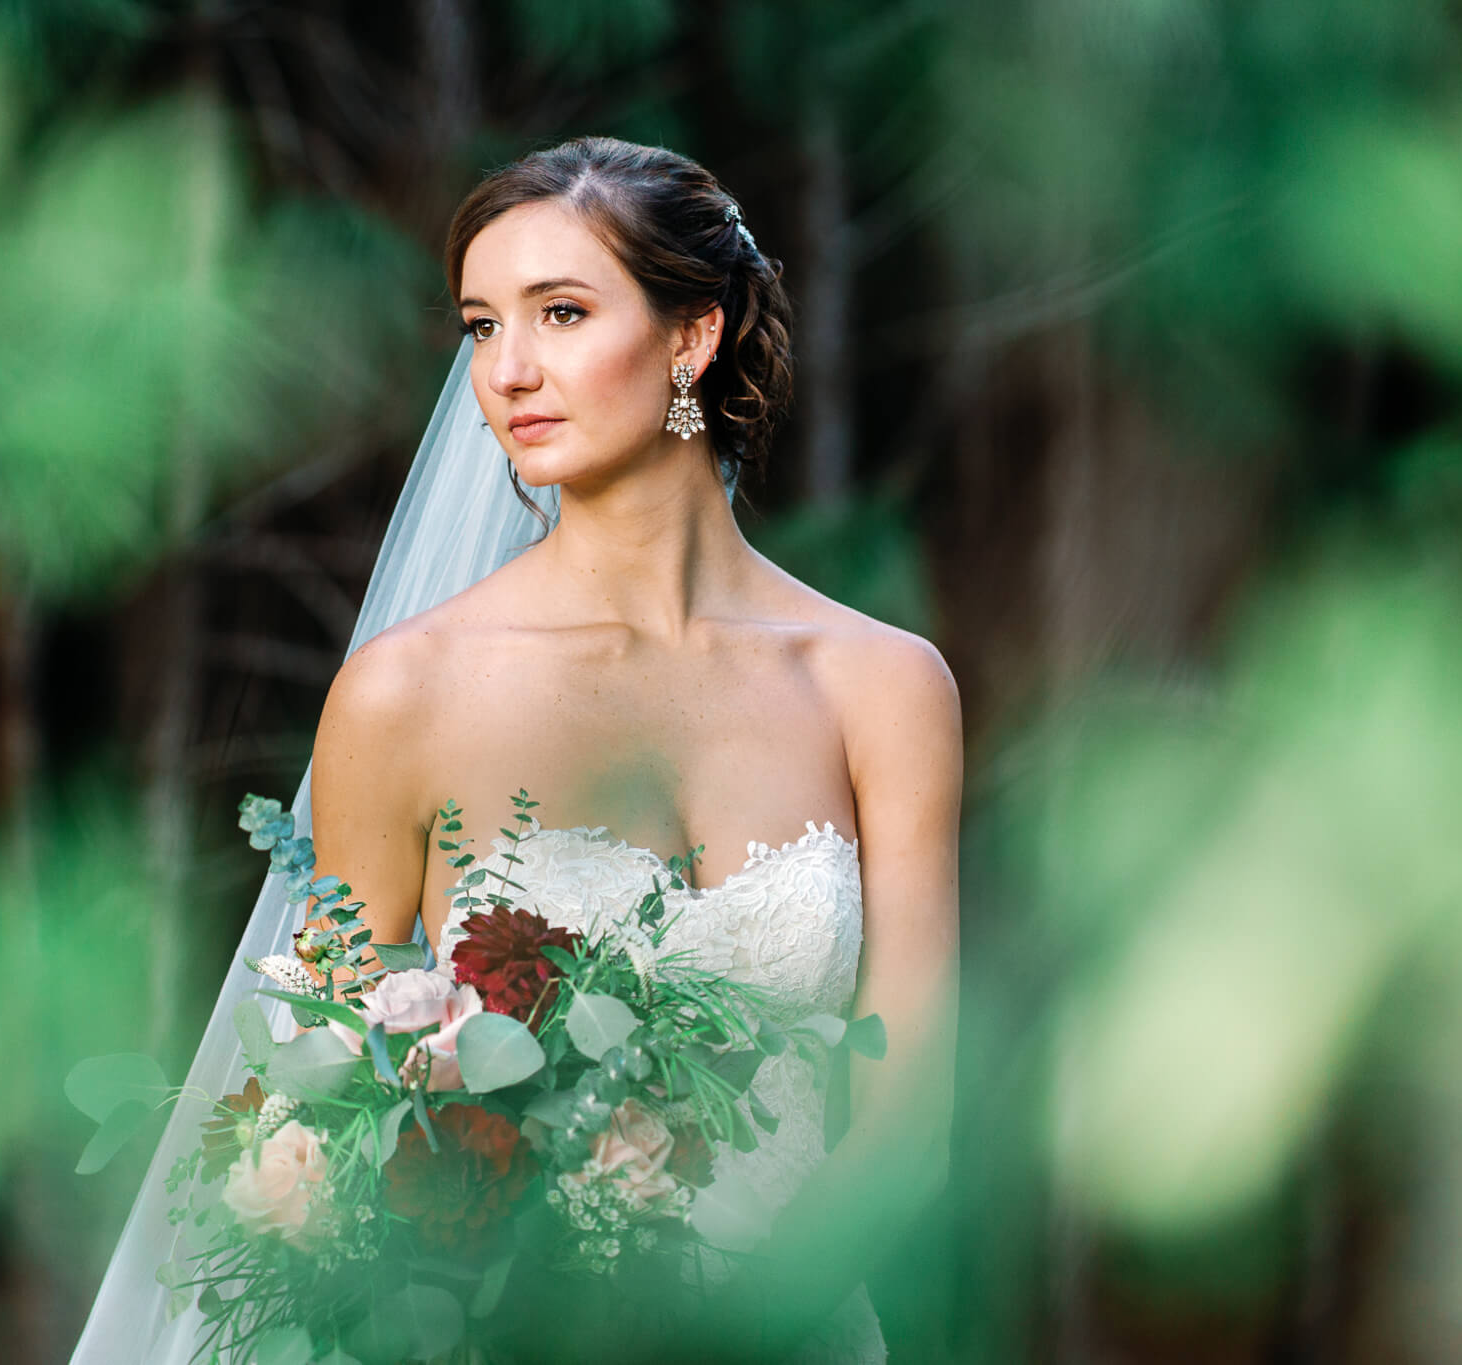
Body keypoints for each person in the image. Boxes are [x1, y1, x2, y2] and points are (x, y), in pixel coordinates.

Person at [73, 136, 960, 1365]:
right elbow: (318, 1101)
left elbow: (907, 1135)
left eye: (560, 313)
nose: (507, 372)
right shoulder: (404, 695)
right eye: (481, 327)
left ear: (692, 335)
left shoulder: (882, 686)